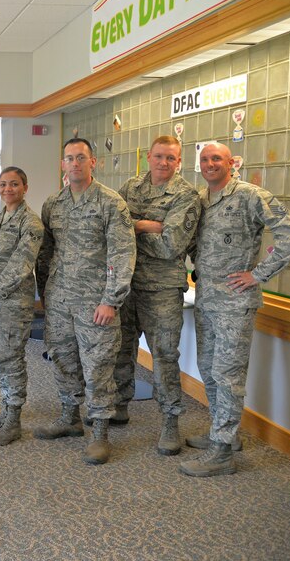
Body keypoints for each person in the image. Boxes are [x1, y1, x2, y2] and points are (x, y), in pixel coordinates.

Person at [180, 142, 290, 477]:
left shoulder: (250, 195)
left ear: (231, 163)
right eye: (205, 159)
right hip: (207, 297)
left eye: (216, 159)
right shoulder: (201, 200)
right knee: (208, 368)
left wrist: (258, 274)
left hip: (236, 303)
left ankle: (222, 454)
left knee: (228, 376)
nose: (210, 164)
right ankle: (223, 435)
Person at [34, 138, 135, 465]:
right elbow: (45, 253)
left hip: (96, 303)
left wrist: (111, 301)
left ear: (94, 163)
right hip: (60, 299)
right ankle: (69, 417)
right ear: (62, 164)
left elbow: (123, 255)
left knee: (99, 366)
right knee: (64, 359)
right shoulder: (54, 204)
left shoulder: (110, 203)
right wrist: (45, 294)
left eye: (81, 158)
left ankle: (100, 432)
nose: (74, 163)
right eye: (69, 159)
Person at [113, 136, 200, 455]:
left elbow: (171, 246)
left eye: (171, 158)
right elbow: (114, 229)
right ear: (148, 157)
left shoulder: (186, 195)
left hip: (162, 288)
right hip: (126, 283)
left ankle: (170, 423)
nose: (164, 163)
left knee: (164, 356)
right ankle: (119, 405)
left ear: (179, 162)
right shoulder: (130, 188)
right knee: (121, 349)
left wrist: (132, 230)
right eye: (159, 156)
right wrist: (149, 225)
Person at [0, 166, 43, 446]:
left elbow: (20, 267)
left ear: (25, 187)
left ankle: (13, 420)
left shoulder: (31, 223)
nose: (7, 189)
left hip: (13, 304)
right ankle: (5, 411)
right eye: (3, 184)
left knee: (12, 360)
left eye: (13, 184)